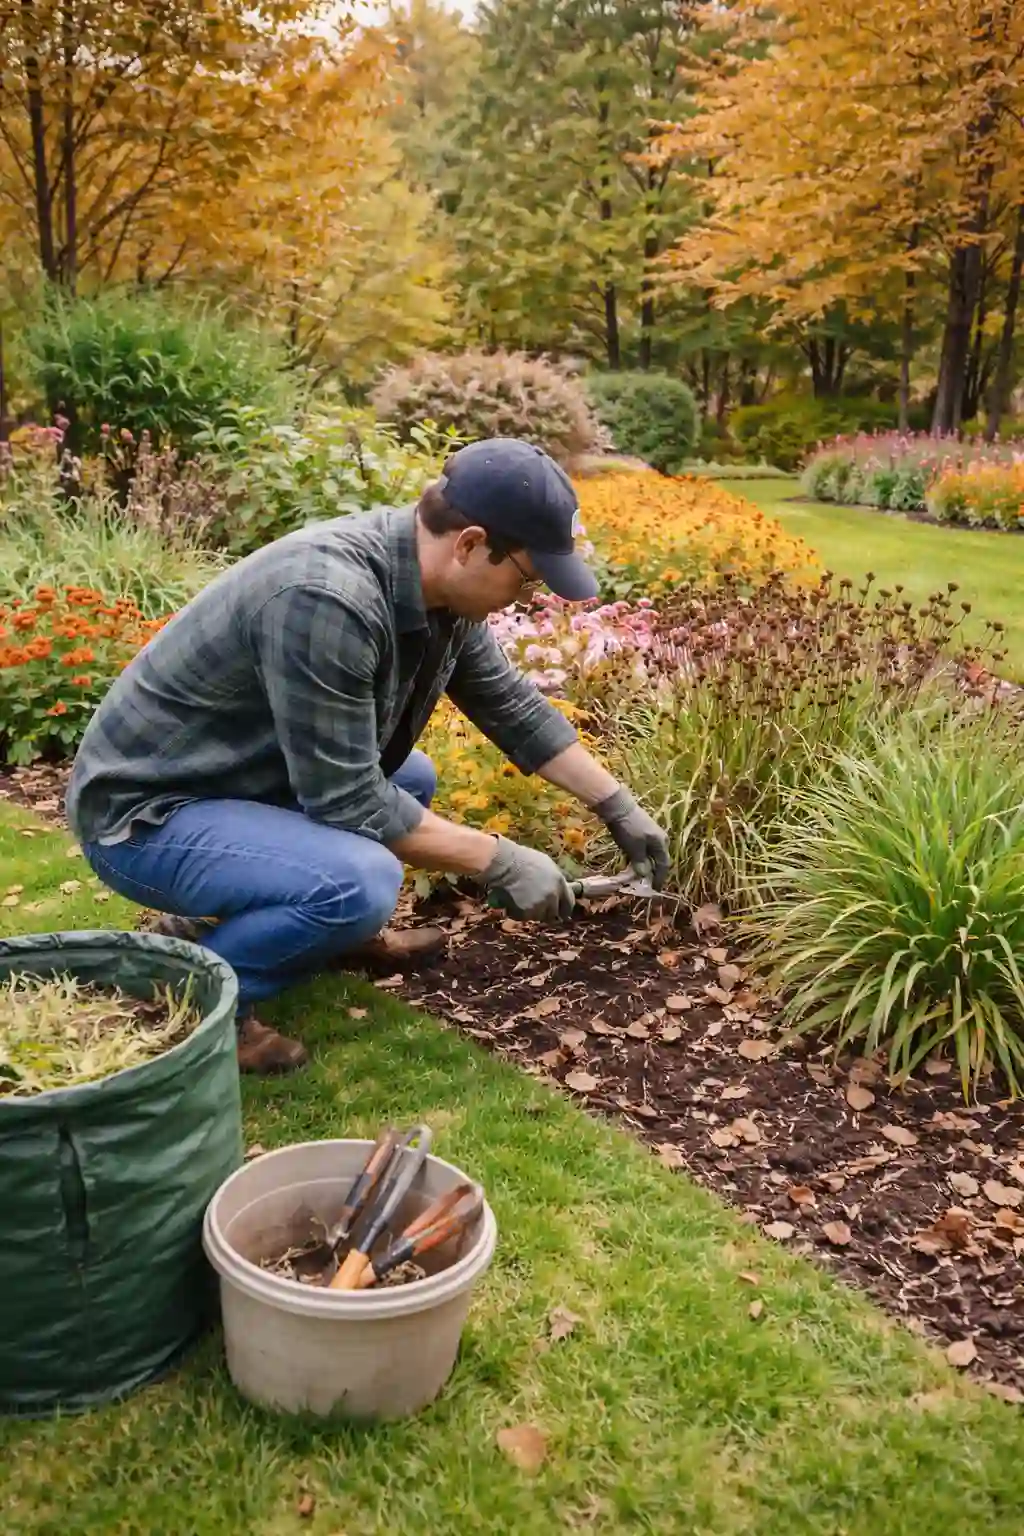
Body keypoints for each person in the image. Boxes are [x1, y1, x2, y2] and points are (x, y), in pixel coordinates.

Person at [66, 438, 670, 1073]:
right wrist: (502, 860)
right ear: (469, 544)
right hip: (145, 816)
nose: (525, 596)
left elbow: (511, 706)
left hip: (231, 779)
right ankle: (203, 996)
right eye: (526, 577)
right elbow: (349, 799)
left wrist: (615, 804)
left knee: (411, 777)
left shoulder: (436, 587)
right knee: (361, 881)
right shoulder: (328, 598)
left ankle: (329, 934)